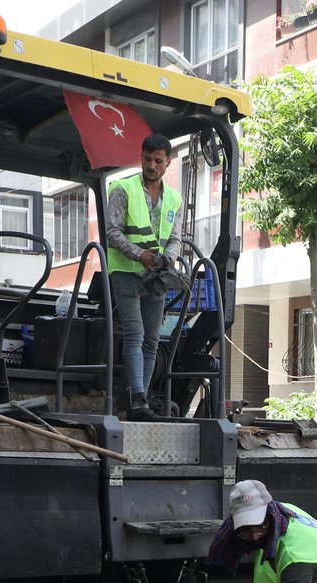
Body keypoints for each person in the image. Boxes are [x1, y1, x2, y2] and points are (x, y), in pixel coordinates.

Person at [104, 134, 183, 422]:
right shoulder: (122, 189)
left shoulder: (174, 198)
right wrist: (140, 255)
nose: (152, 165)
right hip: (127, 272)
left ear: (168, 163)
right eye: (147, 159)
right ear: (141, 157)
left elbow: (175, 238)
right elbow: (112, 232)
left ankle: (142, 399)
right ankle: (138, 397)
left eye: (158, 161)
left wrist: (168, 258)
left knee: (152, 339)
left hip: (156, 276)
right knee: (135, 335)